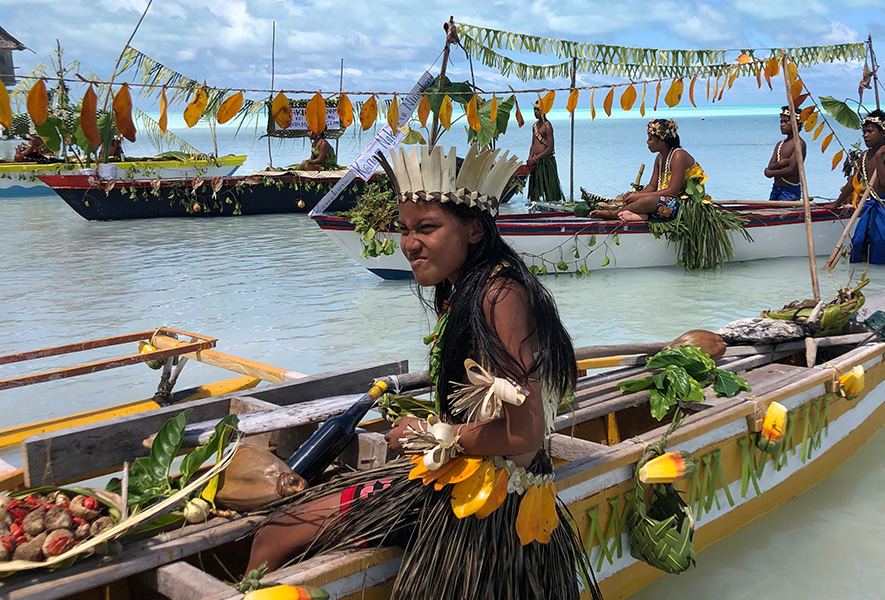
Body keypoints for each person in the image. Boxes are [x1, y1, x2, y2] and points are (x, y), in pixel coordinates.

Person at [245, 145, 600, 599]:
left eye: (427, 228)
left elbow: (524, 435)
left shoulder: (499, 294)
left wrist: (429, 434)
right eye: (405, 229)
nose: (410, 243)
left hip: (485, 499)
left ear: (474, 230)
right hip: (465, 476)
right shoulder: (466, 288)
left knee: (275, 533)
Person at [589, 119, 709, 221]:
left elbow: (673, 191)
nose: (647, 142)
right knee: (626, 201)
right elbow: (652, 186)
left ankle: (613, 214)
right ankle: (639, 215)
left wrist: (639, 197)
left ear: (662, 140)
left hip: (685, 207)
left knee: (648, 199)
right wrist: (634, 196)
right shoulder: (660, 158)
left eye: (650, 139)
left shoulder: (678, 156)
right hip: (668, 202)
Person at [836, 110, 885, 265]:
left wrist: (878, 158)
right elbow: (852, 183)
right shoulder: (863, 157)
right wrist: (836, 204)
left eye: (870, 131)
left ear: (883, 133)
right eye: (864, 132)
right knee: (859, 243)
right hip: (873, 205)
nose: (865, 135)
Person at [764, 105, 806, 201]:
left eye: (786, 122)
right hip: (776, 189)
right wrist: (780, 163)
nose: (782, 125)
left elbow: (791, 169)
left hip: (789, 191)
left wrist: (770, 173)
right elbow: (770, 165)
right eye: (781, 122)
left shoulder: (799, 144)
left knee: (785, 214)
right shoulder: (780, 144)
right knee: (772, 213)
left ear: (797, 124)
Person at [525, 103, 564, 204]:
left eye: (538, 110)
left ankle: (551, 209)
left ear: (544, 111)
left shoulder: (547, 126)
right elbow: (533, 144)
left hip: (546, 162)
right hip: (536, 162)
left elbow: (550, 148)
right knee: (534, 190)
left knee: (549, 190)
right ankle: (534, 211)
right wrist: (530, 157)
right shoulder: (534, 126)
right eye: (534, 110)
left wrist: (536, 158)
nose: (535, 112)